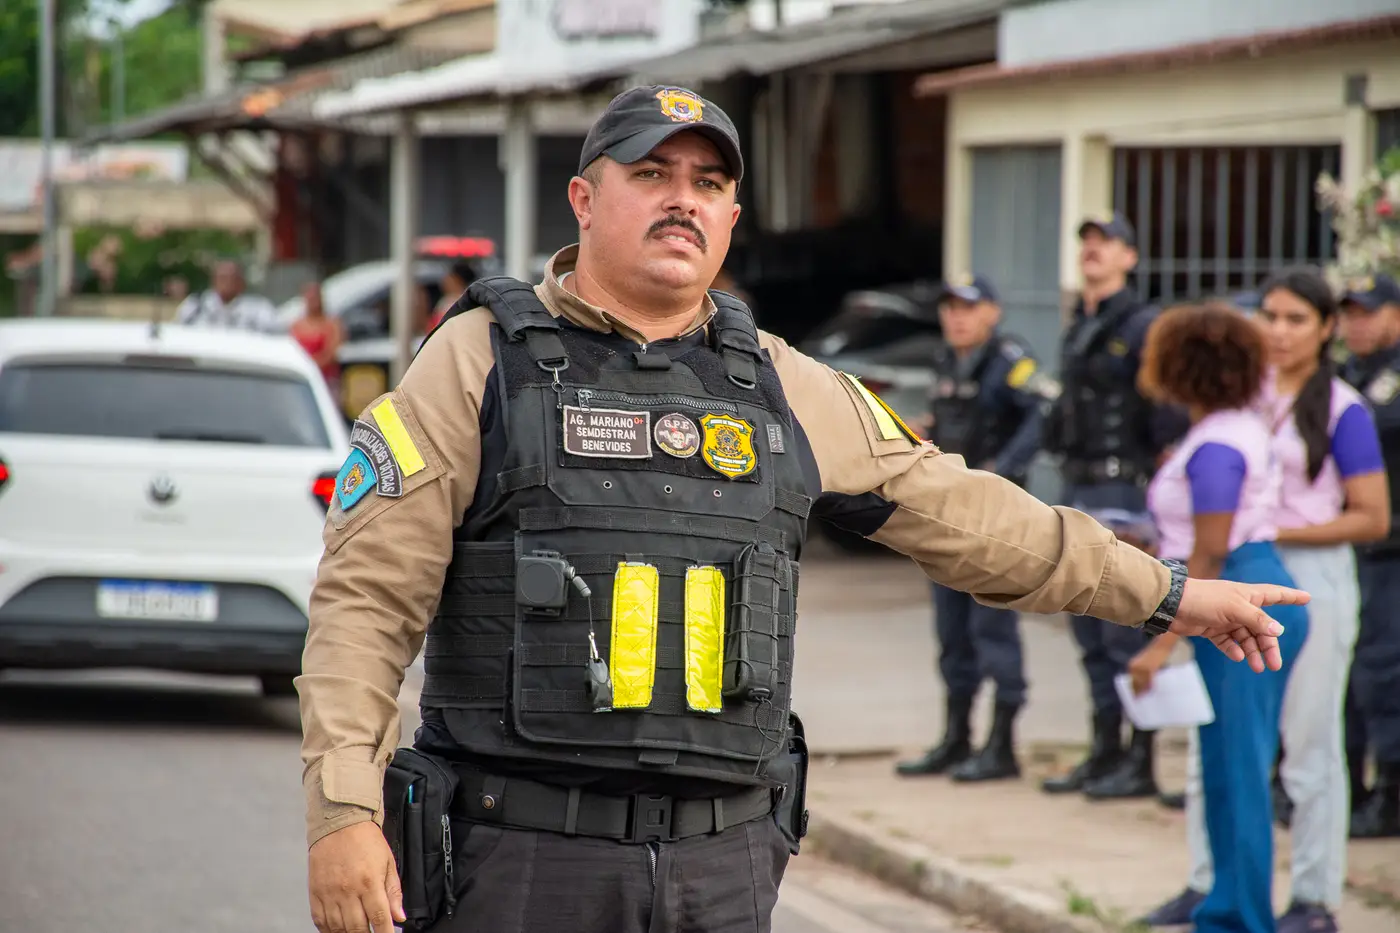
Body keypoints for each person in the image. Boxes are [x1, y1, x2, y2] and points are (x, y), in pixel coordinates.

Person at [297, 84, 1303, 933]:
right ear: (584, 199)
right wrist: (343, 813)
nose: (681, 200)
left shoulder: (781, 384)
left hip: (721, 869)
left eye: (708, 184)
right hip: (518, 862)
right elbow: (365, 605)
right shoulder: (476, 362)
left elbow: (973, 518)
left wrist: (1166, 593)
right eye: (651, 174)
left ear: (731, 217)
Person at [1140, 268, 1389, 933]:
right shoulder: (1242, 399)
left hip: (1305, 574)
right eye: (1269, 316)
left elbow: (1372, 516)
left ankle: (1312, 896)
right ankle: (1209, 883)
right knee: (1219, 750)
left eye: (1296, 319)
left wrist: (1266, 529)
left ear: (1327, 329)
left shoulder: (1342, 407)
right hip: (1236, 570)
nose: (1279, 332)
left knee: (1308, 745)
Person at [1127, 302, 1309, 933]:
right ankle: (1228, 907)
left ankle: (1242, 919)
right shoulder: (1231, 429)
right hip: (1240, 584)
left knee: (1238, 768)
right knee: (1229, 763)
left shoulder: (1218, 445)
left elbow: (1209, 549)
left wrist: (1159, 641)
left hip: (1233, 593)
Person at [1041, 212, 1190, 801]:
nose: (1093, 252)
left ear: (1130, 257)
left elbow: (1166, 417)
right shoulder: (1082, 323)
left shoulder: (1144, 324)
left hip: (1126, 493)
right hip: (1081, 488)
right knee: (1088, 627)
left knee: (1127, 625)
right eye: (1086, 243)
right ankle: (1105, 750)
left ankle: (1140, 758)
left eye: (1105, 244)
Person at [895, 273, 1051, 783]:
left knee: (992, 628)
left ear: (992, 312)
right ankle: (956, 738)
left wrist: (1001, 471)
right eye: (950, 308)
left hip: (996, 519)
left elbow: (1043, 413)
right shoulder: (948, 360)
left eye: (968, 307)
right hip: (949, 514)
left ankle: (1001, 746)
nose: (957, 317)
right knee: (952, 631)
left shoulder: (1009, 360)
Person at [1337, 272, 1400, 839]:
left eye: (1368, 312)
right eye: (1348, 313)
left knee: (1384, 673)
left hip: (1392, 550)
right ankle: (1353, 786)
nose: (1355, 324)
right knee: (1352, 673)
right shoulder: (1345, 378)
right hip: (1353, 548)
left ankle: (1392, 794)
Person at [175, 259, 280, 333]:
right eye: (221, 278)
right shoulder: (195, 305)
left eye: (231, 278)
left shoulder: (259, 309)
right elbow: (179, 331)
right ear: (213, 281)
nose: (225, 283)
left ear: (241, 283)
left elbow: (273, 335)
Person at [290, 282, 345, 396]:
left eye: (315, 298)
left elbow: (331, 354)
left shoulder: (332, 324)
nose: (313, 302)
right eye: (310, 298)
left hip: (326, 381)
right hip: (302, 381)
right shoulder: (296, 325)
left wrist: (311, 367)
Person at [427, 261, 481, 333]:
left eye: (449, 277)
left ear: (457, 280)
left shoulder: (461, 303)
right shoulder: (446, 300)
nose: (444, 280)